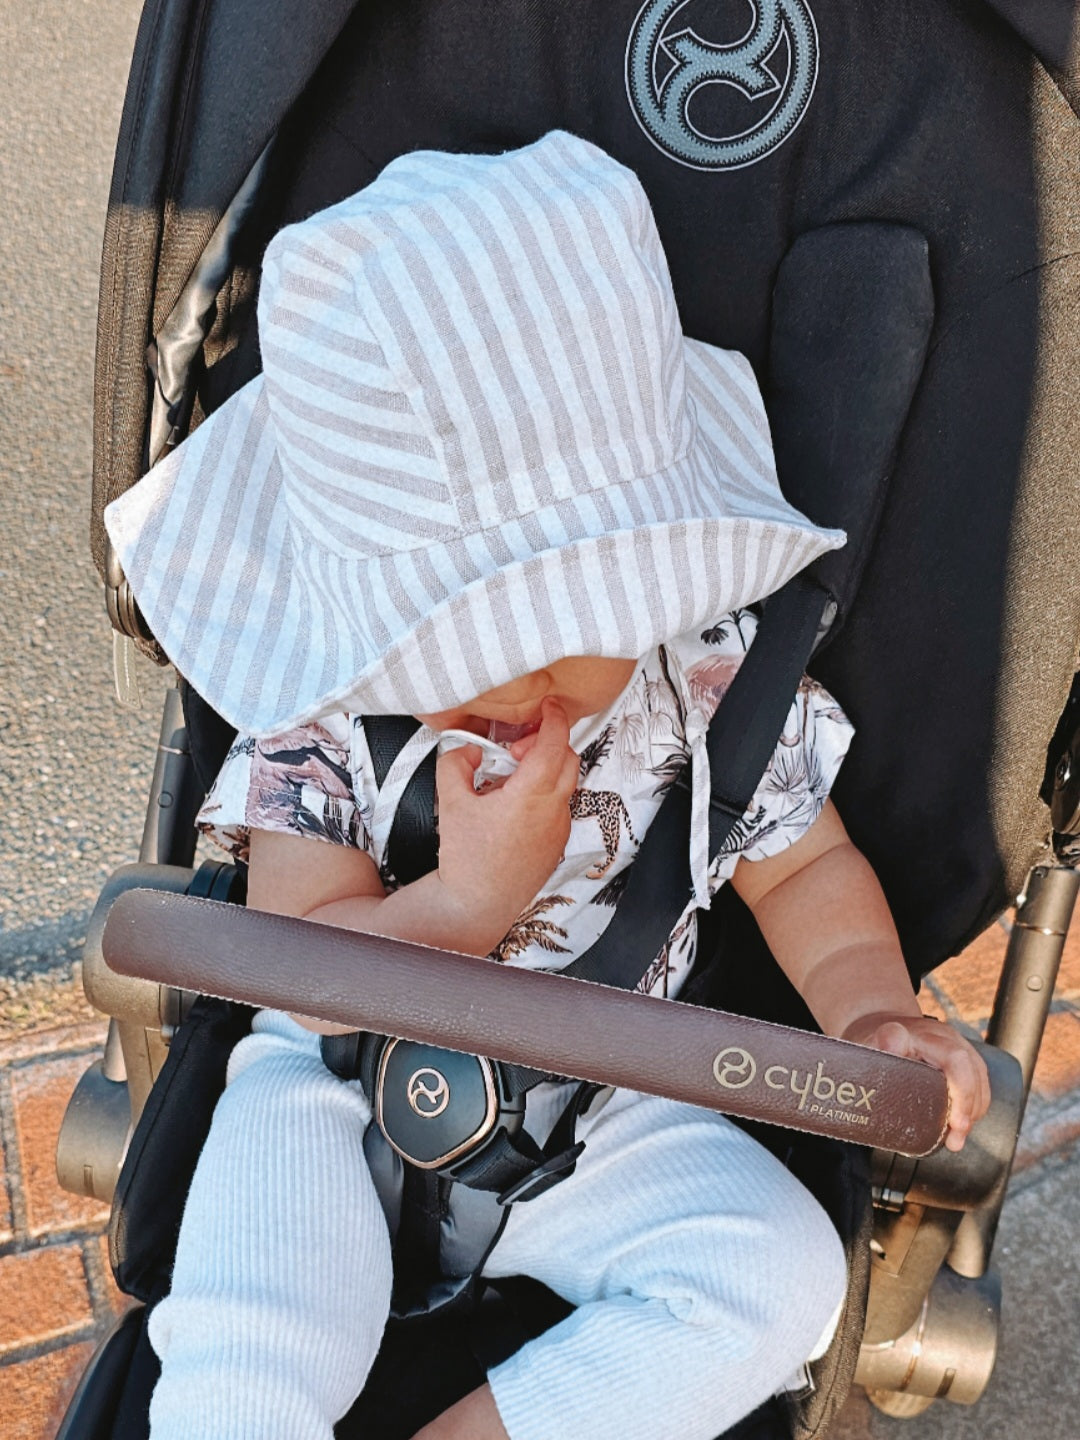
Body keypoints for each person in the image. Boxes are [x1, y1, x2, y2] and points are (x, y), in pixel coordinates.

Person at [105, 131, 990, 1440]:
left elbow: (805, 866)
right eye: (450, 637)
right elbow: (292, 957)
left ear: (647, 573)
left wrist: (866, 1014)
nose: (503, 673)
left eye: (551, 618)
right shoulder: (328, 701)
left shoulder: (706, 682)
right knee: (248, 1333)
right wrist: (467, 904)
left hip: (609, 1088)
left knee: (778, 1277)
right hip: (338, 1082)